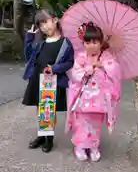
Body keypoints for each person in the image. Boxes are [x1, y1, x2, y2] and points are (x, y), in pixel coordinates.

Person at [65, 22, 121, 162]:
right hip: (83, 98)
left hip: (100, 98)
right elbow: (74, 74)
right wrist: (86, 71)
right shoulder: (81, 57)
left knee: (96, 124)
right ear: (83, 43)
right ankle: (80, 146)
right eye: (88, 42)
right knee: (82, 123)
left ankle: (94, 146)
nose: (92, 45)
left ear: (101, 42)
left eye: (95, 42)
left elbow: (115, 71)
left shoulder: (106, 56)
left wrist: (103, 66)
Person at [22, 9, 74, 153]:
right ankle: (41, 136)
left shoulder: (65, 42)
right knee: (40, 109)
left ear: (55, 20)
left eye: (46, 22)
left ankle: (48, 139)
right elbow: (28, 56)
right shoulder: (40, 41)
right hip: (37, 78)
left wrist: (55, 68)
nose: (44, 27)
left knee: (48, 109)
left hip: (52, 80)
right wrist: (29, 37)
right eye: (40, 25)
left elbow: (70, 62)